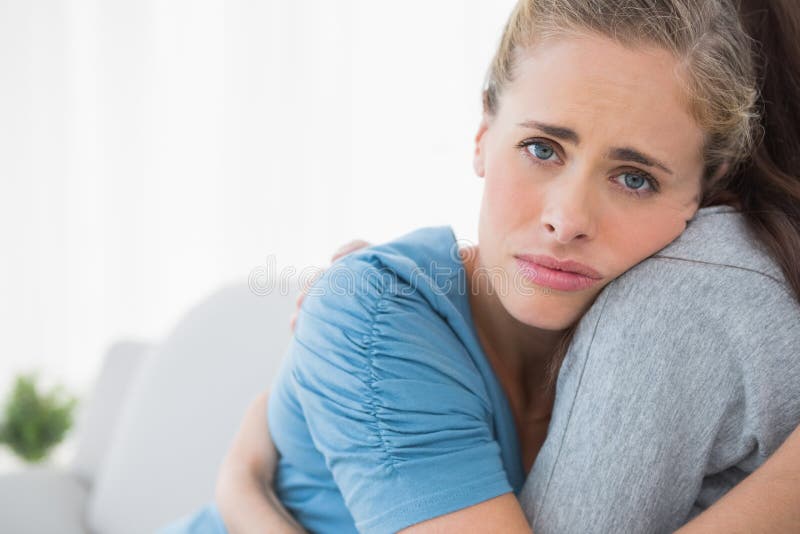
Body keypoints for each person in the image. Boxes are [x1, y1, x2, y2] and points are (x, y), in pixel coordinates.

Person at [159, 0, 800, 532]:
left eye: (634, 179)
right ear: (481, 138)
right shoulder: (379, 316)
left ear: (702, 197)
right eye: (542, 148)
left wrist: (243, 474)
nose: (567, 217)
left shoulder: (664, 340)